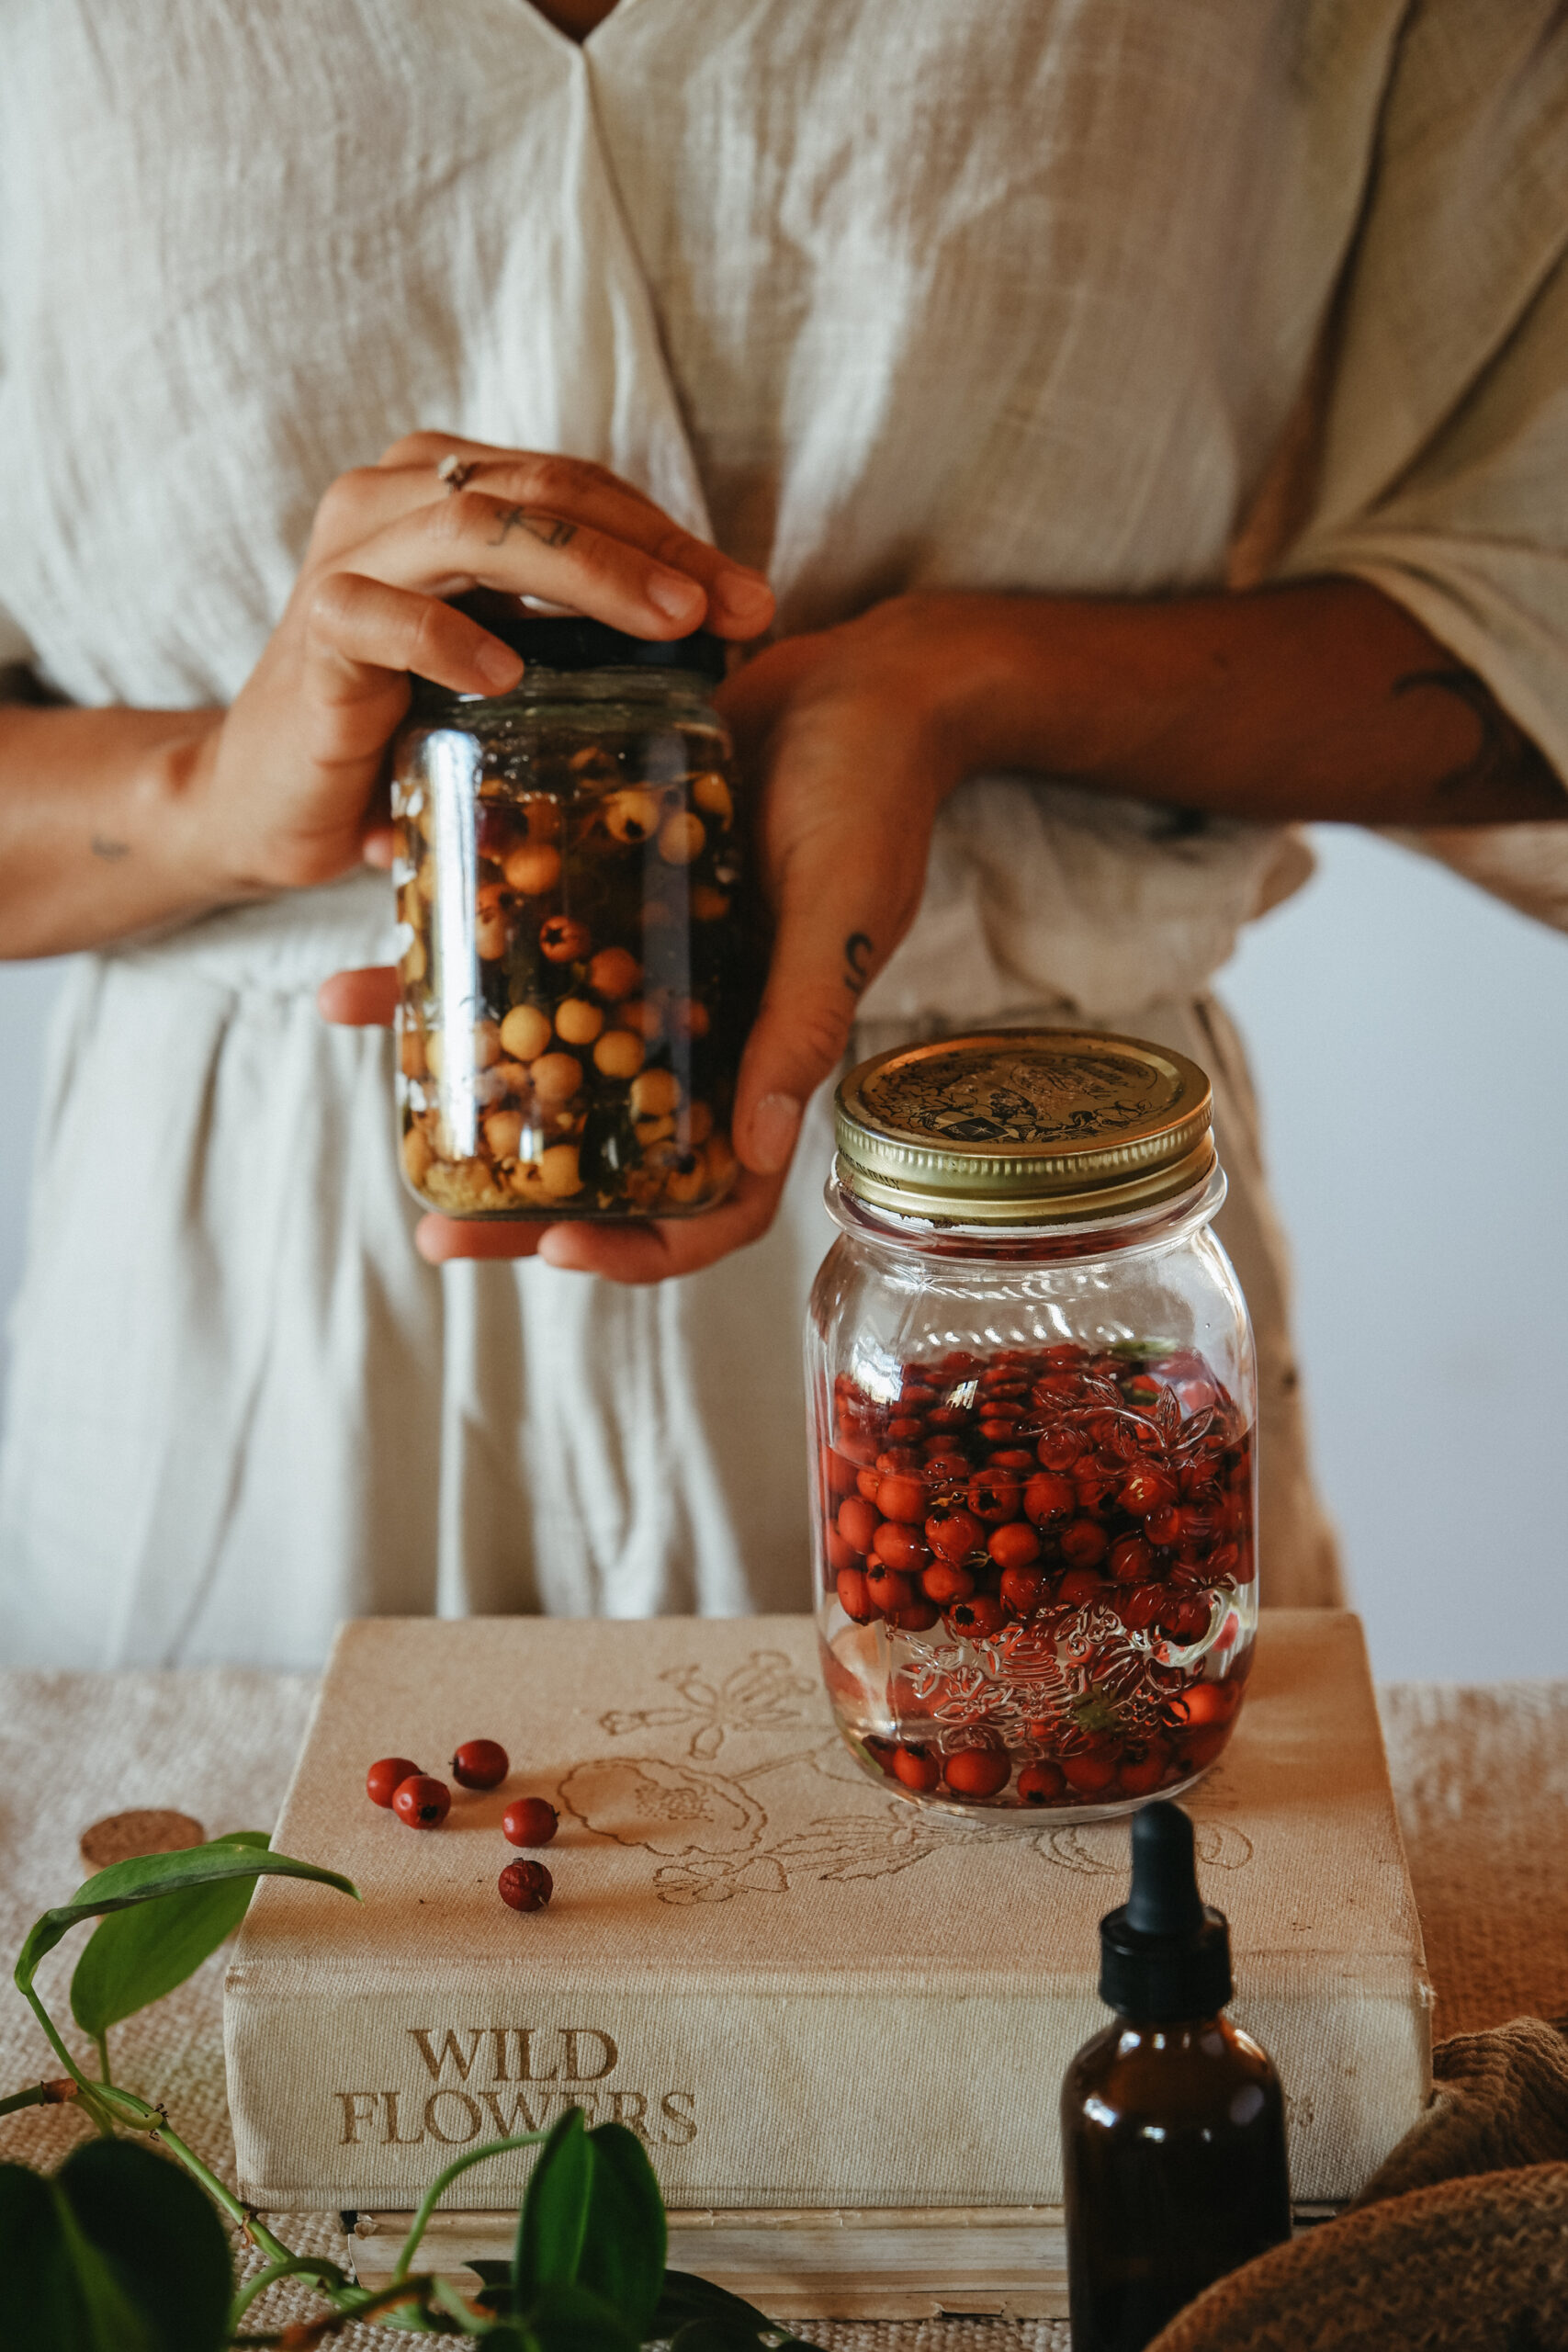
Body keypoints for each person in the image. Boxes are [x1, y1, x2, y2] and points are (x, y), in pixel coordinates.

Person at [1, 1, 1564, 1667]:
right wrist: (203, 793)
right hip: (228, 1344)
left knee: (1085, 1878)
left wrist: (955, 683)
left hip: (1013, 1234)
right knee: (277, 1907)